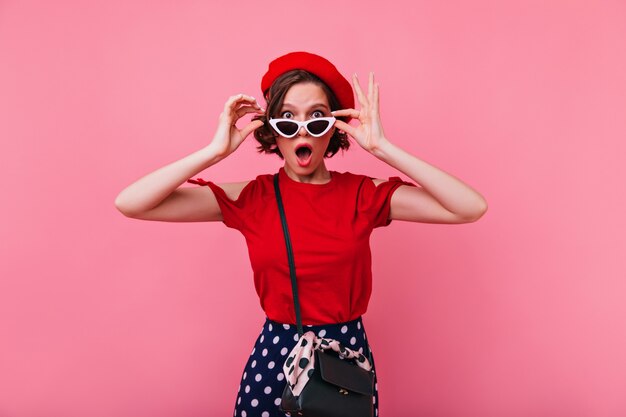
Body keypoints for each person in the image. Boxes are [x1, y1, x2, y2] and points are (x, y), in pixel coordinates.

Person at [115, 51, 488, 417]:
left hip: (344, 363)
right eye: (288, 118)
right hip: (275, 360)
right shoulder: (251, 197)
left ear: (335, 129)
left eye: (318, 118)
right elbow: (132, 203)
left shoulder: (363, 196)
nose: (302, 129)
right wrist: (213, 153)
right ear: (271, 129)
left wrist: (383, 149)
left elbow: (469, 207)